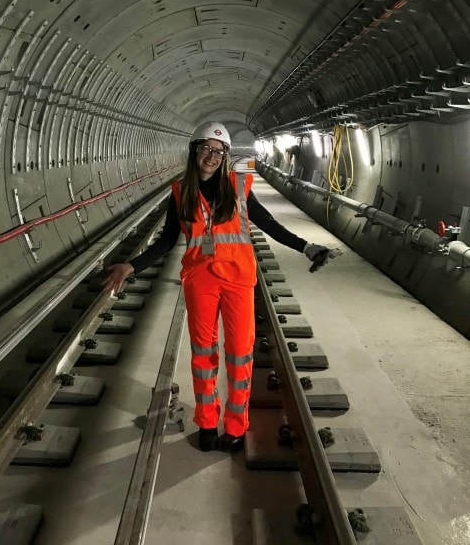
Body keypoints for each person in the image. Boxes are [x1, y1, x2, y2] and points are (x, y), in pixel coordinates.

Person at [102, 122, 332, 453]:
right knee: (203, 355)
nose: (212, 156)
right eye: (206, 149)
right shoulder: (181, 191)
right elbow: (167, 239)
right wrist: (132, 265)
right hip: (200, 280)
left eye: (219, 151)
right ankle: (208, 422)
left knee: (240, 355)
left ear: (226, 156)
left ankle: (236, 426)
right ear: (195, 150)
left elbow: (268, 224)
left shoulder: (238, 187)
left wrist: (305, 247)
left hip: (238, 279)